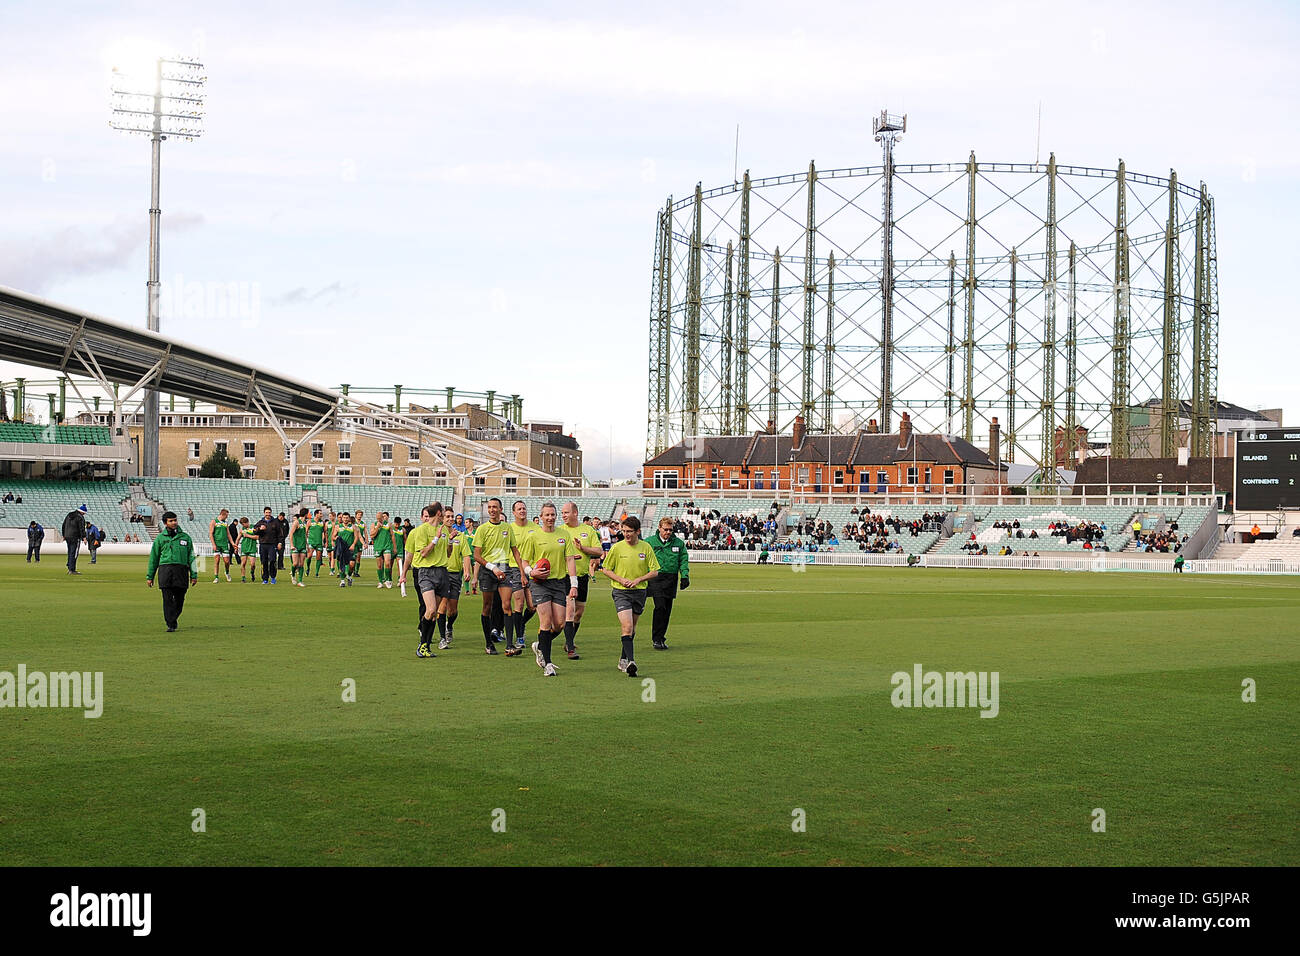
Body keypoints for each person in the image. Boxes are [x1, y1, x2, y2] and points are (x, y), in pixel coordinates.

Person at [519, 502, 580, 677]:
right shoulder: (533, 536)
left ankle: (540, 645)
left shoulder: (564, 535)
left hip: (559, 583)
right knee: (545, 622)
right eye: (547, 515)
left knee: (560, 624)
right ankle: (548, 663)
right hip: (539, 584)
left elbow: (570, 560)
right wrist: (532, 572)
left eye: (553, 514)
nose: (550, 518)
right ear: (541, 517)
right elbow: (524, 562)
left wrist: (574, 584)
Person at [598, 515, 660, 678]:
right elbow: (605, 568)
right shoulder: (617, 548)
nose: (626, 534)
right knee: (627, 626)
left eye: (630, 531)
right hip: (621, 592)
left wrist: (639, 579)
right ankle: (631, 662)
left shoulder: (645, 547)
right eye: (624, 531)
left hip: (639, 592)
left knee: (631, 628)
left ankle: (623, 658)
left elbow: (655, 571)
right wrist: (621, 579)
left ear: (638, 531)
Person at [559, 502, 603, 660]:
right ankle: (570, 648)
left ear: (575, 513)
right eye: (562, 512)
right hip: (565, 576)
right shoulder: (560, 531)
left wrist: (583, 549)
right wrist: (569, 558)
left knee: (579, 613)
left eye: (566, 512)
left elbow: (599, 551)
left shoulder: (588, 530)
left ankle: (567, 640)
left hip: (583, 576)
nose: (563, 515)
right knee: (569, 610)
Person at [401, 503, 445, 658]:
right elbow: (423, 553)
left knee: (434, 614)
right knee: (430, 609)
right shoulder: (420, 530)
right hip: (425, 572)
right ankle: (422, 643)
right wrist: (436, 538)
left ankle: (426, 645)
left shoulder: (444, 530)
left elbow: (447, 551)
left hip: (442, 572)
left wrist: (450, 541)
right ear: (439, 513)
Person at [472, 497, 514, 655]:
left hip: (504, 566)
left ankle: (510, 645)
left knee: (507, 605)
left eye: (495, 507)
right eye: (489, 507)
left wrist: (522, 573)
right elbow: (476, 555)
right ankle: (489, 643)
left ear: (501, 509)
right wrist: (492, 568)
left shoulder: (507, 528)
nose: (492, 509)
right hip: (488, 568)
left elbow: (514, 549)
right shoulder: (482, 529)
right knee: (487, 607)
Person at [146, 511, 198, 632]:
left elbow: (191, 557)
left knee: (180, 599)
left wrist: (194, 574)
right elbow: (154, 558)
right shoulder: (160, 539)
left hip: (181, 570)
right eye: (171, 521)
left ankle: (172, 618)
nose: (174, 522)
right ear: (165, 523)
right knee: (167, 599)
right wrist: (150, 576)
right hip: (165, 570)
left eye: (175, 520)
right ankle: (170, 623)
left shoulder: (185, 537)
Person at [645, 516, 689, 651]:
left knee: (667, 610)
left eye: (670, 530)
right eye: (665, 529)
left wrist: (684, 576)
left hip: (671, 578)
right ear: (659, 528)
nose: (668, 532)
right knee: (660, 607)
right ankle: (656, 639)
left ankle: (661, 637)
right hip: (656, 577)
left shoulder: (678, 543)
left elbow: (683, 560)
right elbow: (642, 559)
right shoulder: (649, 542)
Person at [504, 500, 539, 655]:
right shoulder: (509, 529)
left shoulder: (535, 528)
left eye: (524, 508)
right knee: (518, 602)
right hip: (513, 568)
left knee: (532, 606)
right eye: (519, 509)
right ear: (513, 512)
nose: (522, 511)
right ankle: (519, 637)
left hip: (530, 569)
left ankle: (521, 625)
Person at [252, 507, 281, 584]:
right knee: (264, 562)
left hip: (272, 544)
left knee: (272, 560)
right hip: (263, 544)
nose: (268, 514)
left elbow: (280, 534)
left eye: (269, 512)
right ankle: (265, 579)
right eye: (266, 513)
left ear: (271, 513)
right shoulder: (260, 522)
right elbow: (254, 531)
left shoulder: (275, 522)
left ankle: (273, 577)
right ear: (264, 513)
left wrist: (280, 542)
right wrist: (260, 529)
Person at [370, 511, 396, 589]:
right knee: (379, 565)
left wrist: (394, 547)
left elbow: (392, 536)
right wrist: (377, 527)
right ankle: (381, 581)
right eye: (377, 518)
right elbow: (372, 535)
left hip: (387, 546)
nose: (378, 519)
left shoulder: (388, 525)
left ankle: (388, 580)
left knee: (388, 563)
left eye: (380, 518)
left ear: (383, 517)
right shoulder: (374, 524)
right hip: (378, 547)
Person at [333, 513, 358, 587]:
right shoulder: (338, 527)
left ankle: (349, 576)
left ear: (349, 518)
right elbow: (333, 537)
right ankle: (342, 581)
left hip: (350, 548)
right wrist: (337, 538)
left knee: (352, 564)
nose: (345, 519)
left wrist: (353, 544)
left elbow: (356, 537)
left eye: (347, 518)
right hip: (341, 549)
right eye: (344, 518)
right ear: (342, 518)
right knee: (342, 564)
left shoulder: (353, 527)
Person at [210, 509, 234, 583]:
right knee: (217, 561)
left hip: (224, 544)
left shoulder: (225, 523)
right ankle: (216, 577)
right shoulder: (214, 521)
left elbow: (228, 534)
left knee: (227, 561)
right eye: (226, 515)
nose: (227, 517)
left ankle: (227, 572)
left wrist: (232, 543)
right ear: (223, 514)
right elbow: (211, 533)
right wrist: (213, 544)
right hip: (217, 544)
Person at [62, 504, 87, 574]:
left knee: (70, 552)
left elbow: (63, 525)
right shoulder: (80, 517)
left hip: (67, 536)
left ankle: (69, 566)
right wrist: (84, 537)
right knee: (74, 553)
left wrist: (64, 535)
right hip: (75, 537)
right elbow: (81, 528)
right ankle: (72, 569)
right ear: (83, 512)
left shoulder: (69, 515)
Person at [288, 507, 310, 587]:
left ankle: (300, 581)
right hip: (296, 545)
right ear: (306, 514)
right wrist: (292, 545)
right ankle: (293, 575)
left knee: (301, 564)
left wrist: (307, 545)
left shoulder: (305, 523)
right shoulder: (296, 522)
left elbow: (304, 535)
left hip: (303, 546)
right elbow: (291, 534)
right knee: (295, 563)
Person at [236, 517, 258, 582]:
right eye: (242, 524)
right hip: (244, 547)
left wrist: (248, 536)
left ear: (247, 522)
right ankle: (243, 577)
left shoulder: (254, 528)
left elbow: (257, 537)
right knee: (243, 563)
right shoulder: (242, 530)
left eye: (243, 524)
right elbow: (238, 539)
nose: (243, 525)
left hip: (252, 548)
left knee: (252, 564)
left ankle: (252, 572)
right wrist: (235, 546)